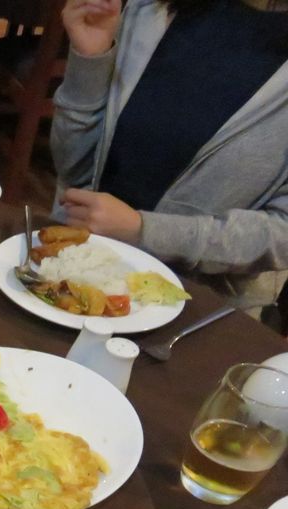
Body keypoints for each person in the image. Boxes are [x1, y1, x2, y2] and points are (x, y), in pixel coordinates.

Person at [51, 0, 288, 305]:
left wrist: (145, 231)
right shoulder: (149, 13)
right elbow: (73, 168)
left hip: (195, 306)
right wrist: (90, 59)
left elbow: (281, 235)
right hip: (72, 270)